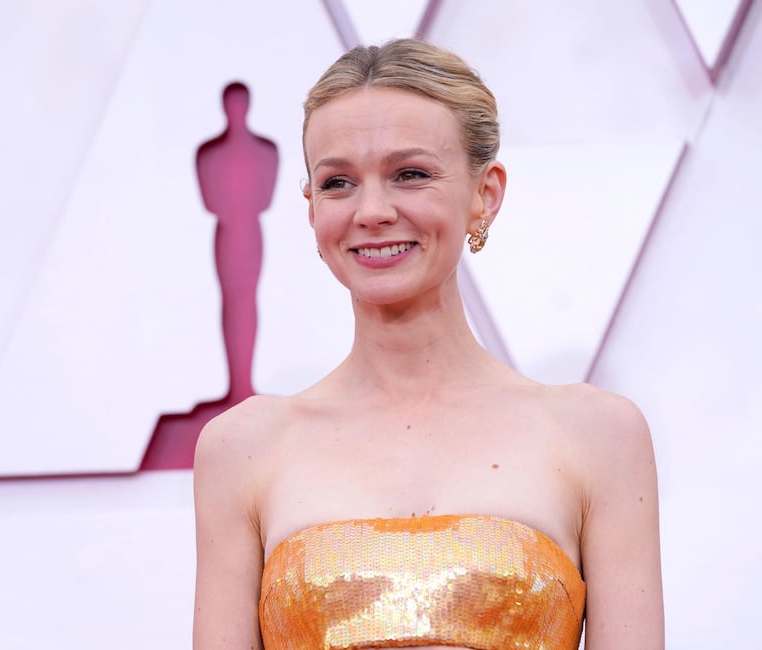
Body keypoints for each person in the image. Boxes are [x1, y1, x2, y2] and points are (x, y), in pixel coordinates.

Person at [193, 38, 664, 650]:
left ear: (484, 194)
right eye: (338, 183)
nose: (372, 211)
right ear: (311, 208)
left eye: (410, 174)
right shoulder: (242, 448)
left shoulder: (598, 435)